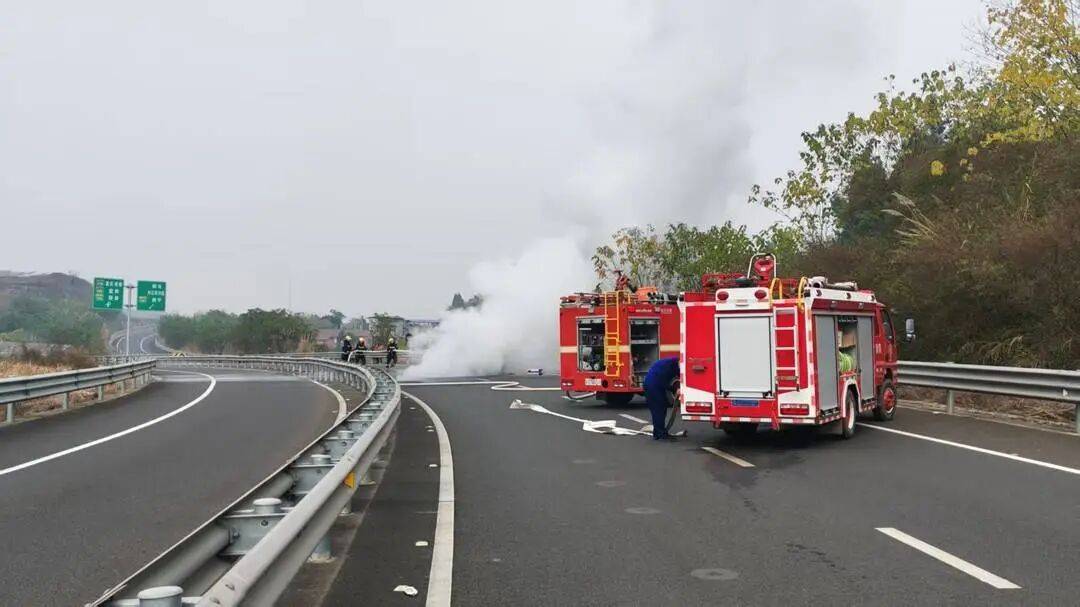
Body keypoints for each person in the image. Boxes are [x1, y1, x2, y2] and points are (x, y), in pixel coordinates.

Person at [643, 356, 679, 440]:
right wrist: (673, 388)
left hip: (652, 385)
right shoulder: (668, 367)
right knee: (659, 410)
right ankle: (660, 434)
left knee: (660, 409)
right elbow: (663, 382)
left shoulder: (669, 363)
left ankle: (658, 433)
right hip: (653, 387)